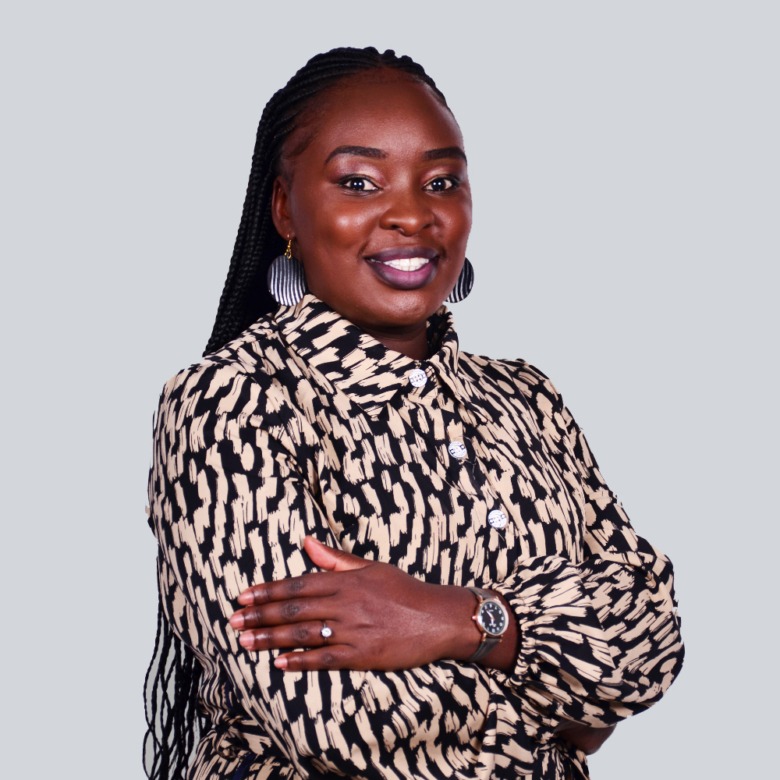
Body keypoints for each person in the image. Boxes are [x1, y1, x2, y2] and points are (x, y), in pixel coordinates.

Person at [143, 47, 684, 780]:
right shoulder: (230, 405)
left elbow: (651, 636)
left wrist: (458, 620)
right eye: (359, 182)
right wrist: (563, 695)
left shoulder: (527, 397)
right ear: (285, 208)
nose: (411, 215)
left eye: (441, 182)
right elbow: (336, 725)